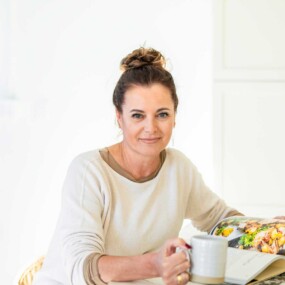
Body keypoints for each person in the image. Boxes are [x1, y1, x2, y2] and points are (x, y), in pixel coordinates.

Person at [33, 47, 243, 285]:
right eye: (137, 115)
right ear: (119, 117)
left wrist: (268, 230)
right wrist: (156, 264)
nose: (151, 128)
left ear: (175, 116)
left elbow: (220, 219)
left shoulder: (179, 168)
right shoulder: (89, 171)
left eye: (162, 114)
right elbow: (83, 269)